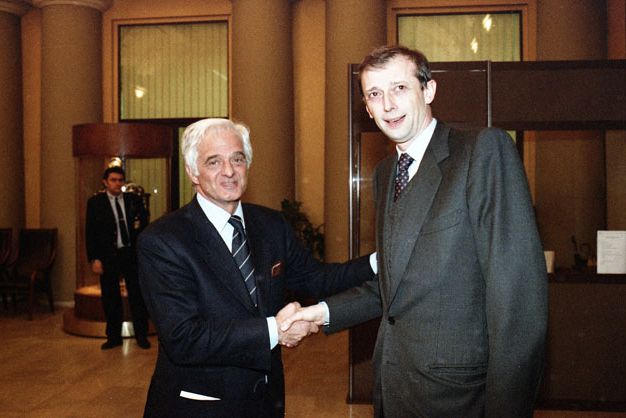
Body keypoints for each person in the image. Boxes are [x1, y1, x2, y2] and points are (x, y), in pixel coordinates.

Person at [280, 45, 548, 417]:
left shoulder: (481, 152)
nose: (388, 104)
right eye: (375, 94)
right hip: (394, 391)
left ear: (429, 90)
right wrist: (319, 314)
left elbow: (518, 299)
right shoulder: (386, 173)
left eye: (400, 88)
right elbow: (394, 285)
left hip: (459, 398)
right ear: (367, 108)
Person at [136, 118, 376, 418]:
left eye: (237, 159)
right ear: (192, 172)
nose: (229, 171)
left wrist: (380, 261)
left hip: (266, 402)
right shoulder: (163, 240)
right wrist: (276, 330)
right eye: (214, 162)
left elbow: (318, 279)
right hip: (200, 407)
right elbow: (184, 337)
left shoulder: (270, 224)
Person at [86, 166, 151, 350]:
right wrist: (94, 259)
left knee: (137, 296)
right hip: (108, 256)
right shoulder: (95, 203)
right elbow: (90, 233)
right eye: (113, 180)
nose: (117, 184)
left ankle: (141, 335)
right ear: (105, 182)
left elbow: (144, 226)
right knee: (110, 297)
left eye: (120, 180)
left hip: (130, 254)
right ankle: (114, 337)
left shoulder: (133, 200)